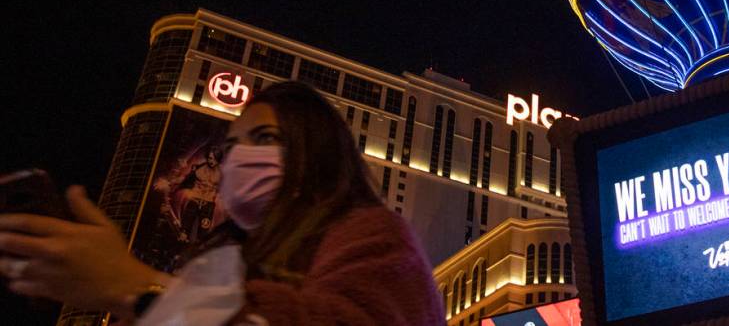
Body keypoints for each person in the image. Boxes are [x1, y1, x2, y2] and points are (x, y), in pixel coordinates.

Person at [0, 81, 445, 325]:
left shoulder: (372, 235)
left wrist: (133, 285)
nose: (240, 158)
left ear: (319, 151)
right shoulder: (215, 257)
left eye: (265, 138)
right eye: (231, 147)